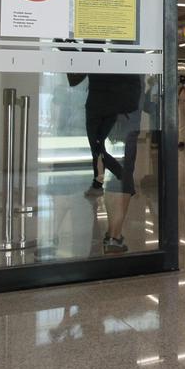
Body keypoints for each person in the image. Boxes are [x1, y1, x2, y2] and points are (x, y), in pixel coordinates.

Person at [70, 71, 143, 254]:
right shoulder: (130, 49)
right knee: (121, 172)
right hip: (124, 110)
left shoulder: (96, 47)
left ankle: (113, 235)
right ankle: (114, 236)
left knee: (110, 162)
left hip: (100, 106)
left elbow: (74, 77)